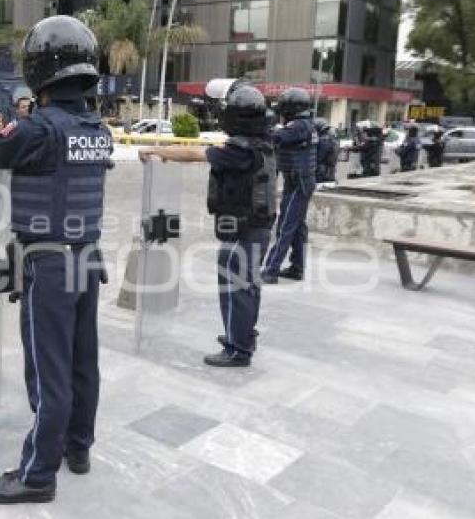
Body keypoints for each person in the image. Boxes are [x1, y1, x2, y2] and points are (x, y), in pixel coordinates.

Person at [0, 15, 111, 505]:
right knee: (84, 362)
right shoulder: (95, 129)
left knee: (49, 370)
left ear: (39, 70)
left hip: (51, 265)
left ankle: (38, 473)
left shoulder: (41, 129)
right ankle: (76, 448)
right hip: (87, 258)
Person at [140, 84, 276, 367]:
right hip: (256, 228)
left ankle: (237, 349)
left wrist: (156, 149)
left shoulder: (241, 151)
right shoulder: (261, 143)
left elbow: (196, 154)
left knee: (235, 289)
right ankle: (241, 337)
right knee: (248, 286)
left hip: (243, 230)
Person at [261, 87, 317, 284]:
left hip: (298, 183)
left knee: (286, 226)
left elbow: (273, 138)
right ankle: (297, 268)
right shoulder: (303, 124)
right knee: (298, 227)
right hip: (298, 181)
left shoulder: (300, 126)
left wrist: (259, 126)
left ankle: (271, 270)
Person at [314, 118, 339, 183]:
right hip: (330, 171)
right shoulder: (332, 139)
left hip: (322, 172)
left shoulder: (324, 141)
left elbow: (319, 158)